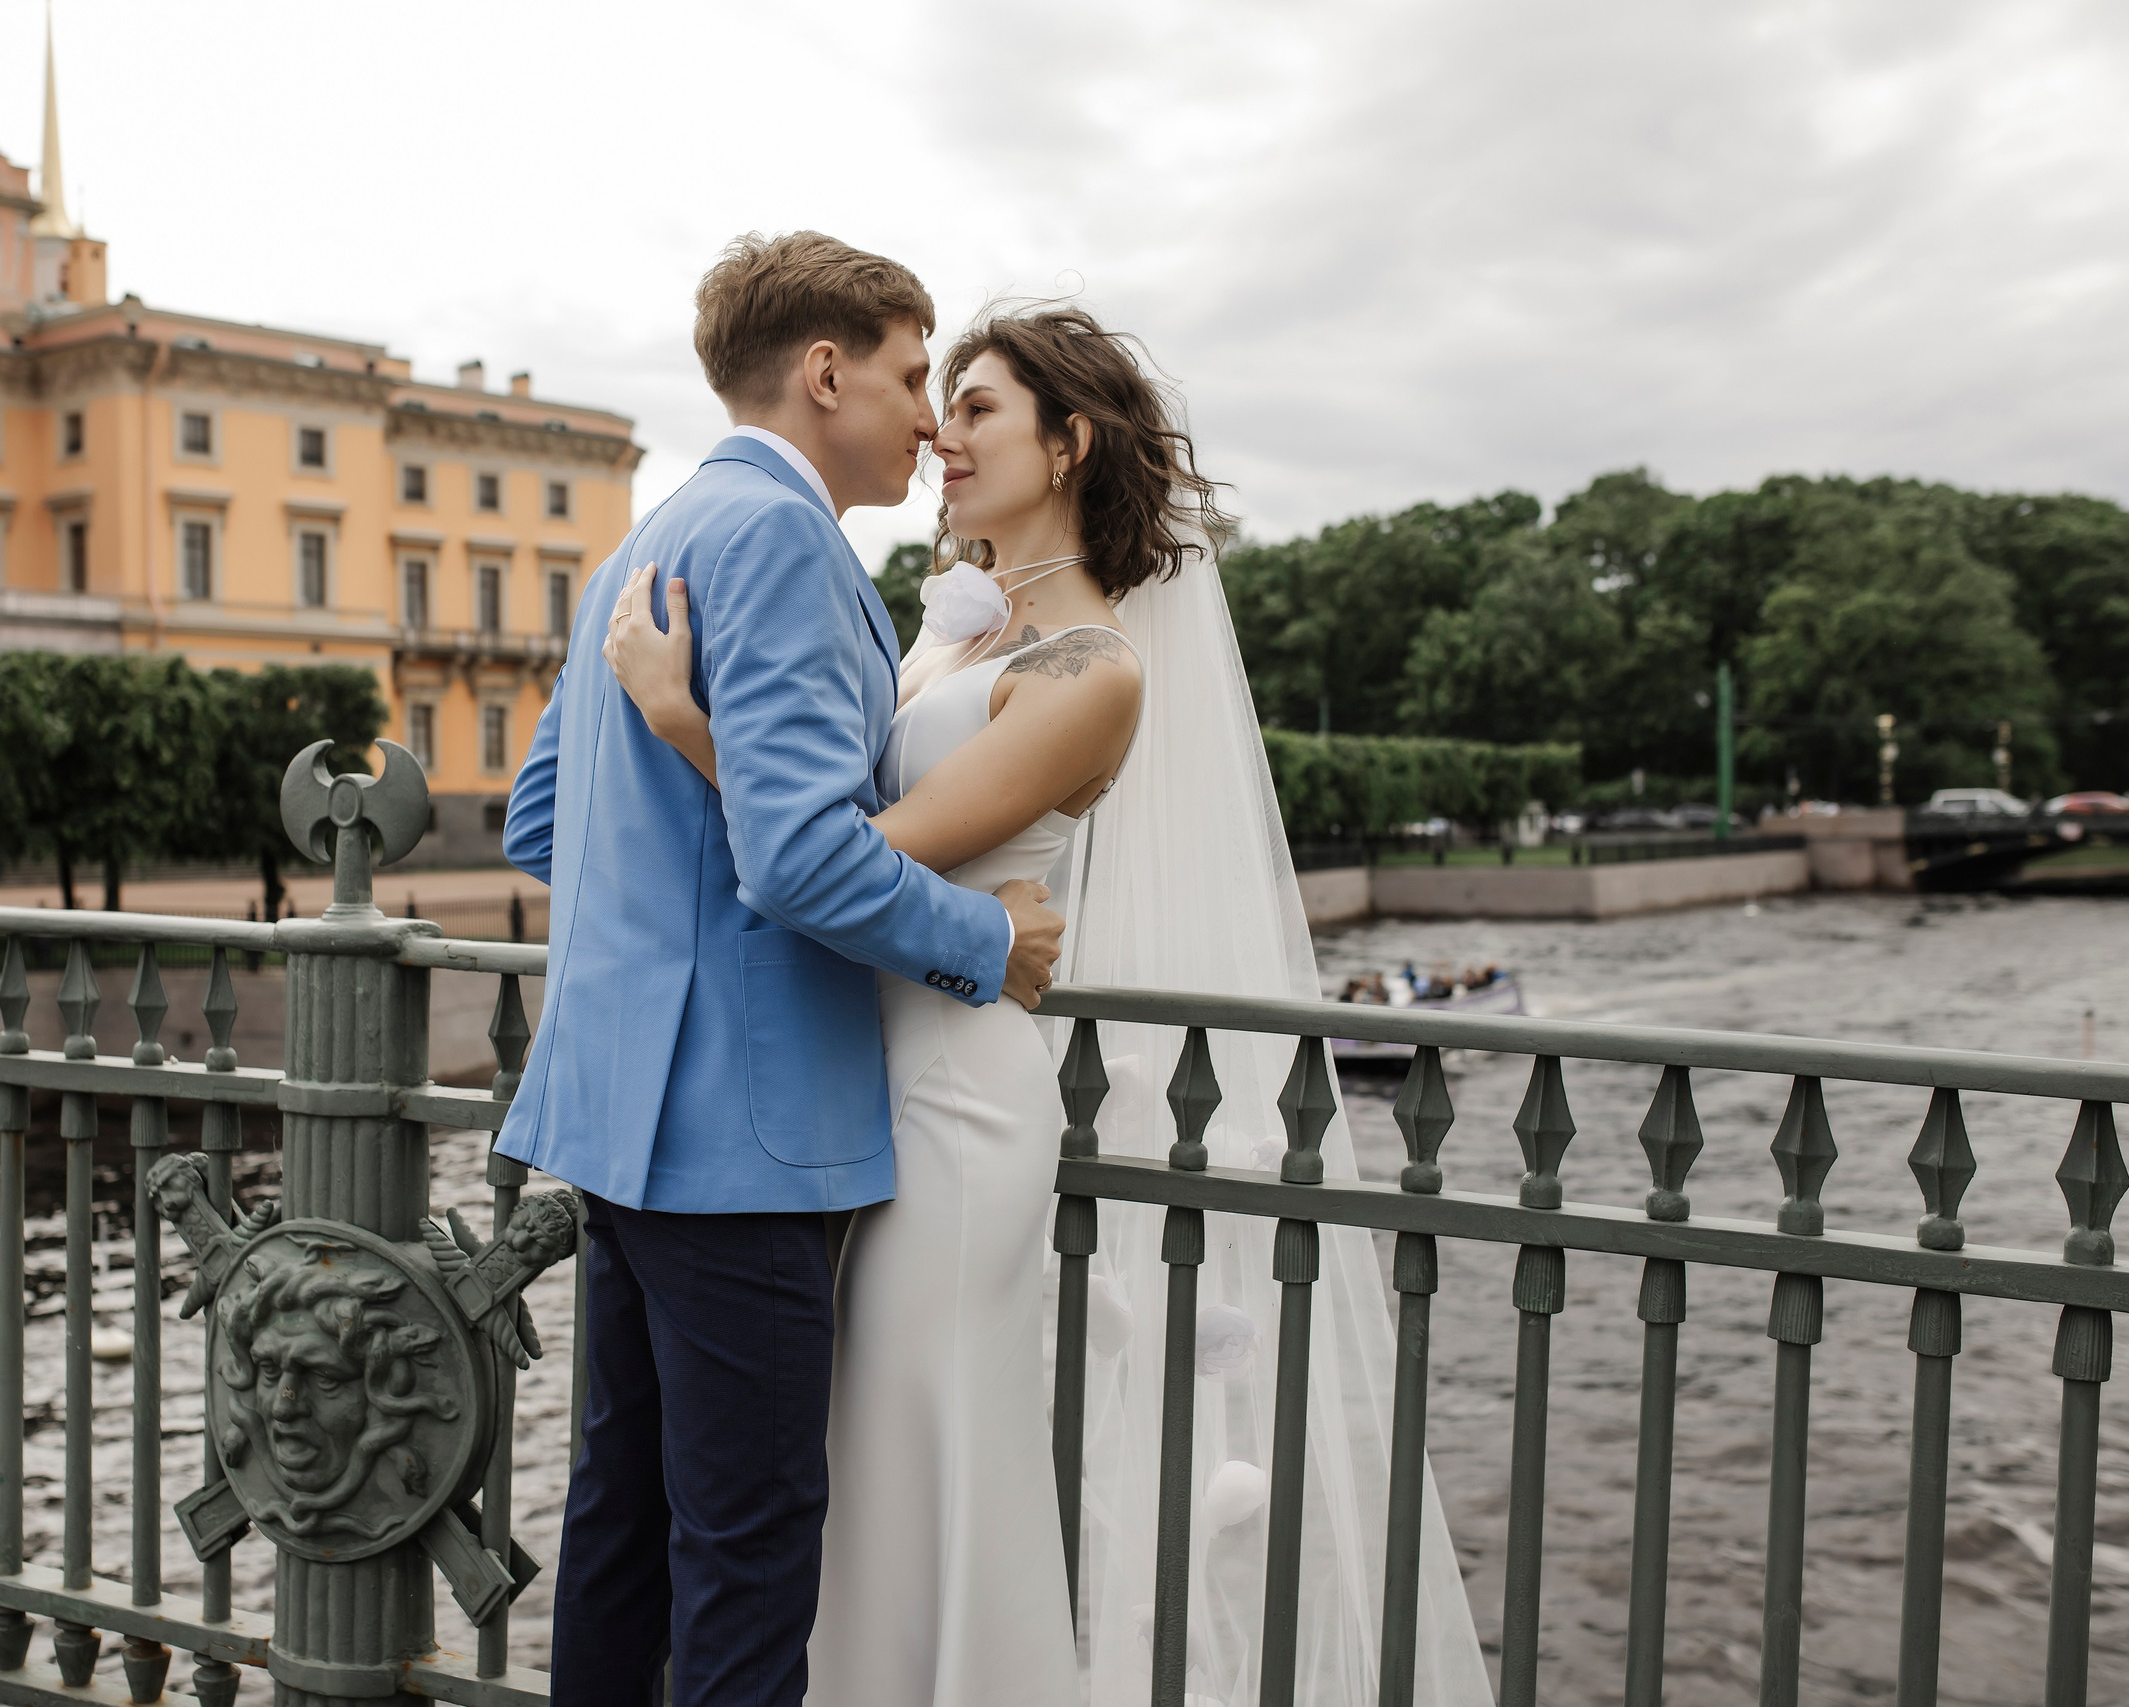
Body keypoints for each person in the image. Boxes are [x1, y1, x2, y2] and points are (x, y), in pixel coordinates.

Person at [607, 307, 1494, 1706]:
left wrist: (683, 726)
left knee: (928, 1459)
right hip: (858, 1076)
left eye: (976, 411)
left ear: (1068, 443)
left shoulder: (1095, 672)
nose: (938, 436)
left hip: (956, 1097)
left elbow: (861, 855)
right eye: (939, 403)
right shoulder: (952, 637)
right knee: (849, 1472)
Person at [494, 232, 1066, 1707]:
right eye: (905, 372)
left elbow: (542, 819)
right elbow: (806, 860)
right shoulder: (793, 545)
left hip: (616, 1122)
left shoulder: (647, 540)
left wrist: (691, 815)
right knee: (749, 1553)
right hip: (746, 1142)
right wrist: (989, 941)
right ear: (824, 373)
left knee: (618, 1523)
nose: (928, 415)